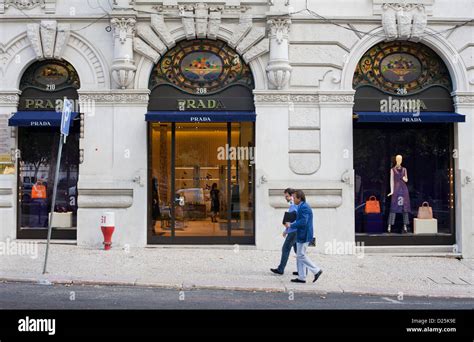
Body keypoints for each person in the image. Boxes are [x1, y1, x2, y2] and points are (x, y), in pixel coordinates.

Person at [285, 190, 323, 284]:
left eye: (294, 198)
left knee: (301, 255)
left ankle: (316, 270)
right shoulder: (301, 206)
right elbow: (300, 220)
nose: (293, 199)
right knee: (299, 255)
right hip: (301, 233)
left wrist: (291, 225)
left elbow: (303, 222)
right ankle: (302, 277)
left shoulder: (304, 207)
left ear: (299, 198)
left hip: (304, 234)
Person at [271, 188, 298, 275]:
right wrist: (286, 230)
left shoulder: (294, 206)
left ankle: (280, 269)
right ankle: (301, 270)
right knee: (299, 251)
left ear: (291, 196)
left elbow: (293, 219)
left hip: (293, 231)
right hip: (294, 230)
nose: (285, 198)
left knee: (285, 249)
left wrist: (287, 229)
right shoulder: (294, 205)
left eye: (286, 196)